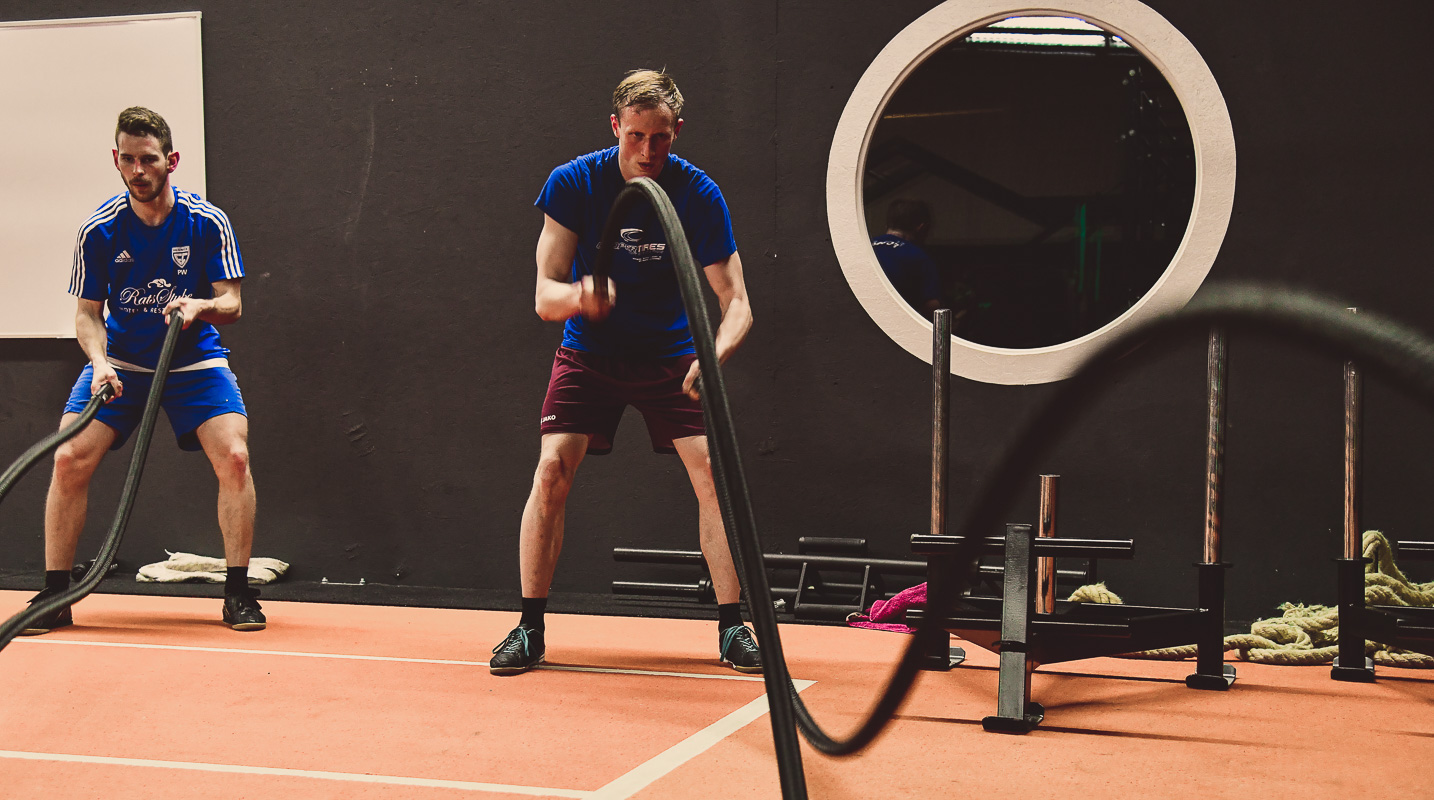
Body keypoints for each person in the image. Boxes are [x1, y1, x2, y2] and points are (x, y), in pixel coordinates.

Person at [489, 69, 760, 675]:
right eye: (635, 136)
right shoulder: (574, 183)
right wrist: (584, 293)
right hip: (590, 353)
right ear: (616, 127)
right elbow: (543, 296)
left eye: (660, 138)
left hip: (673, 358)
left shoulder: (698, 193)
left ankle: (733, 626)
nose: (647, 152)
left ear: (676, 132)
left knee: (713, 472)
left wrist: (710, 360)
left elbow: (738, 302)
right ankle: (529, 627)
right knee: (553, 468)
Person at [21, 107, 263, 634]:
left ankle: (239, 592)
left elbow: (233, 301)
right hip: (124, 362)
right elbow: (86, 316)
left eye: (148, 159)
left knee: (236, 457)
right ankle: (55, 596)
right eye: (127, 159)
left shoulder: (206, 222)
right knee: (67, 458)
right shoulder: (100, 231)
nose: (138, 170)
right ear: (116, 160)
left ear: (170, 160)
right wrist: (100, 363)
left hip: (192, 359)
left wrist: (199, 305)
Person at [871, 198, 943, 317]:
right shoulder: (918, 257)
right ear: (921, 227)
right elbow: (932, 306)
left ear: (887, 224)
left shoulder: (866, 247)